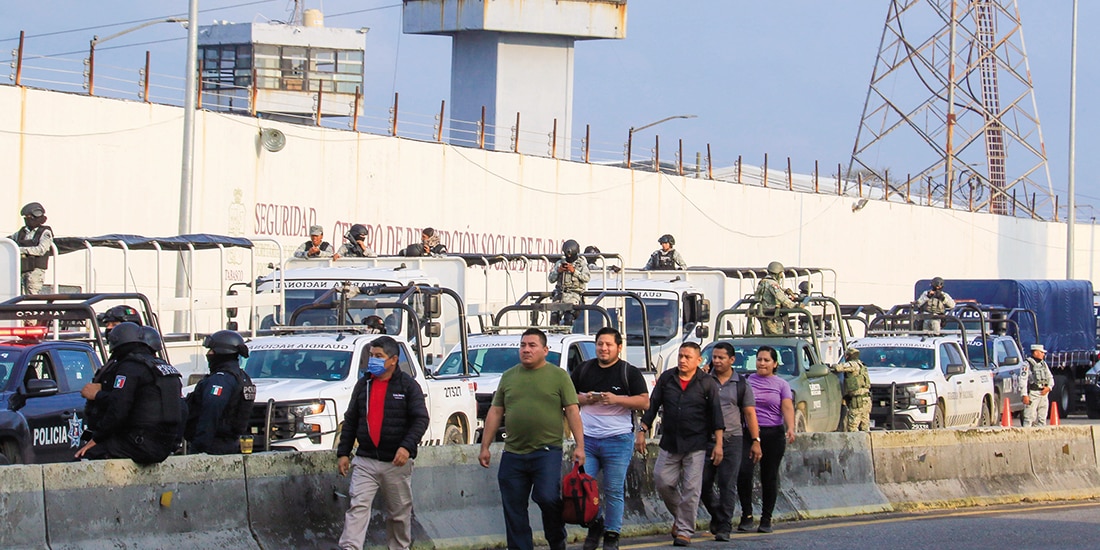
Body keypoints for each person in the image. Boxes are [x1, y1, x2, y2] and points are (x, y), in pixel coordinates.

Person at [479, 328, 585, 550]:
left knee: (547, 498)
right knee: (514, 508)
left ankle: (556, 539)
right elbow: (496, 412)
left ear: (545, 350)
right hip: (513, 454)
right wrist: (485, 446)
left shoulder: (559, 376)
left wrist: (580, 446)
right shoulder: (509, 377)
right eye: (523, 345)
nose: (526, 349)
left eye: (532, 345)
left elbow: (572, 411)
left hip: (546, 453)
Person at [337, 335, 429, 550]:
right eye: (371, 356)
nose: (373, 361)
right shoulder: (364, 385)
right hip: (366, 460)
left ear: (393, 360)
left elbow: (420, 419)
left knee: (398, 513)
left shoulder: (408, 386)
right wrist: (344, 452)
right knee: (357, 506)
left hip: (395, 463)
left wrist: (406, 447)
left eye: (379, 356)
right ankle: (350, 547)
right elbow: (351, 419)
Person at [636, 342, 724, 547]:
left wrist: (718, 443)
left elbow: (716, 415)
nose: (683, 361)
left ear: (698, 360)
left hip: (696, 443)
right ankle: (682, 516)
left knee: (691, 488)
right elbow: (653, 405)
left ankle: (684, 530)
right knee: (662, 481)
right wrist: (642, 431)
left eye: (688, 357)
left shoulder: (707, 383)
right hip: (670, 441)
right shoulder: (667, 378)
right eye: (681, 356)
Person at [571, 327, 649, 550]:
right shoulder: (584, 370)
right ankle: (595, 523)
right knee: (583, 487)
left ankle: (612, 534)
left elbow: (644, 402)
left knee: (614, 489)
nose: (603, 349)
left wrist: (616, 399)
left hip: (618, 439)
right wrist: (585, 399)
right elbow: (567, 395)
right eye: (600, 344)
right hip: (587, 439)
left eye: (608, 345)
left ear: (618, 347)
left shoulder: (628, 372)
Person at [75, 322, 184, 464]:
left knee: (83, 458)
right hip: (163, 446)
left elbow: (118, 408)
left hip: (139, 443)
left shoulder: (130, 367)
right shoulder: (165, 368)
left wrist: (96, 439)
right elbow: (182, 408)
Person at [700, 342, 761, 542]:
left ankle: (725, 525)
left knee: (728, 484)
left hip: (733, 439)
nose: (716, 361)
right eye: (714, 357)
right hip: (707, 440)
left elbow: (749, 413)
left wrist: (755, 440)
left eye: (721, 358)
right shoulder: (705, 380)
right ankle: (717, 515)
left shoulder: (741, 384)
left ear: (731, 360)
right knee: (702, 484)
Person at [736, 345, 795, 534]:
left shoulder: (781, 385)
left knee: (768, 476)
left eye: (766, 360)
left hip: (773, 434)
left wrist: (791, 427)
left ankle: (766, 518)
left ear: (774, 364)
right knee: (744, 472)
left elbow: (786, 406)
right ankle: (747, 515)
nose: (761, 363)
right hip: (749, 433)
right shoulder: (746, 382)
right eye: (759, 359)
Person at [185, 330, 257, 454]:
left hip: (213, 447)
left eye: (212, 350)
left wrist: (198, 448)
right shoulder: (242, 377)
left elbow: (210, 415)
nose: (209, 354)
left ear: (222, 352)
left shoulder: (221, 379)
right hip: (230, 444)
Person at [11, 202, 53, 295]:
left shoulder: (45, 232)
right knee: (17, 295)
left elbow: (41, 250)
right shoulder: (22, 232)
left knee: (32, 295)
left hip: (35, 272)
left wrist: (21, 250)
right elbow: (10, 242)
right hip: (21, 269)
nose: (27, 219)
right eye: (26, 217)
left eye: (29, 217)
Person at [548, 239, 591, 325]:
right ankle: (554, 334)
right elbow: (551, 279)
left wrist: (574, 271)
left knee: (568, 318)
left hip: (574, 295)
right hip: (560, 295)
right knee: (554, 318)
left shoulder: (581, 264)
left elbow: (586, 278)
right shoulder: (560, 263)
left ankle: (567, 333)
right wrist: (558, 271)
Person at [831, 348, 871, 431]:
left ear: (848, 356)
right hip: (866, 400)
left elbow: (839, 368)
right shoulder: (861, 365)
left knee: (852, 427)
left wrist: (831, 366)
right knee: (865, 427)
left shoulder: (853, 364)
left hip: (857, 401)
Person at [754, 261, 797, 335]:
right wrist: (794, 306)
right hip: (773, 315)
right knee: (778, 337)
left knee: (767, 336)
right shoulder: (773, 283)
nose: (781, 276)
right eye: (780, 273)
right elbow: (780, 297)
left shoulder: (763, 282)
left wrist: (784, 290)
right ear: (777, 273)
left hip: (764, 313)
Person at [1021, 344, 1054, 427]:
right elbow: (1023, 380)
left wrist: (1049, 388)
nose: (1043, 354)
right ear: (1035, 352)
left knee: (1042, 417)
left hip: (1043, 394)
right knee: (1029, 417)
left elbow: (1050, 377)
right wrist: (1024, 395)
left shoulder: (1044, 364)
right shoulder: (1027, 364)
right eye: (1041, 352)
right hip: (1033, 393)